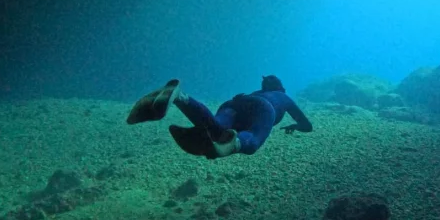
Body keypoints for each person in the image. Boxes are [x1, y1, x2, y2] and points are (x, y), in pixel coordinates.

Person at [126, 75, 313, 159]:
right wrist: (294, 126)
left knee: (215, 128)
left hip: (237, 102)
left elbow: (247, 103)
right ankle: (232, 145)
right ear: (281, 88)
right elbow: (306, 125)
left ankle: (181, 97)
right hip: (263, 109)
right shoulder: (283, 97)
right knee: (253, 141)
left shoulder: (258, 92)